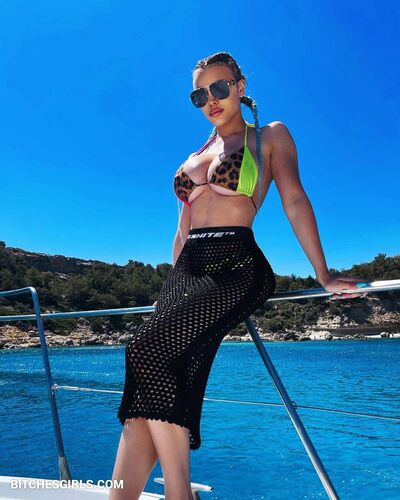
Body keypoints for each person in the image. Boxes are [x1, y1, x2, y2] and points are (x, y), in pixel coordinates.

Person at [109, 52, 368, 500]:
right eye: (199, 95)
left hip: (237, 266)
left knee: (143, 349)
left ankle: (178, 493)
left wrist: (323, 273)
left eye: (219, 88)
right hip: (188, 272)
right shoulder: (194, 155)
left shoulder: (269, 136)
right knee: (145, 388)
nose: (210, 99)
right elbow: (182, 230)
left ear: (240, 87)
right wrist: (170, 296)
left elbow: (294, 199)